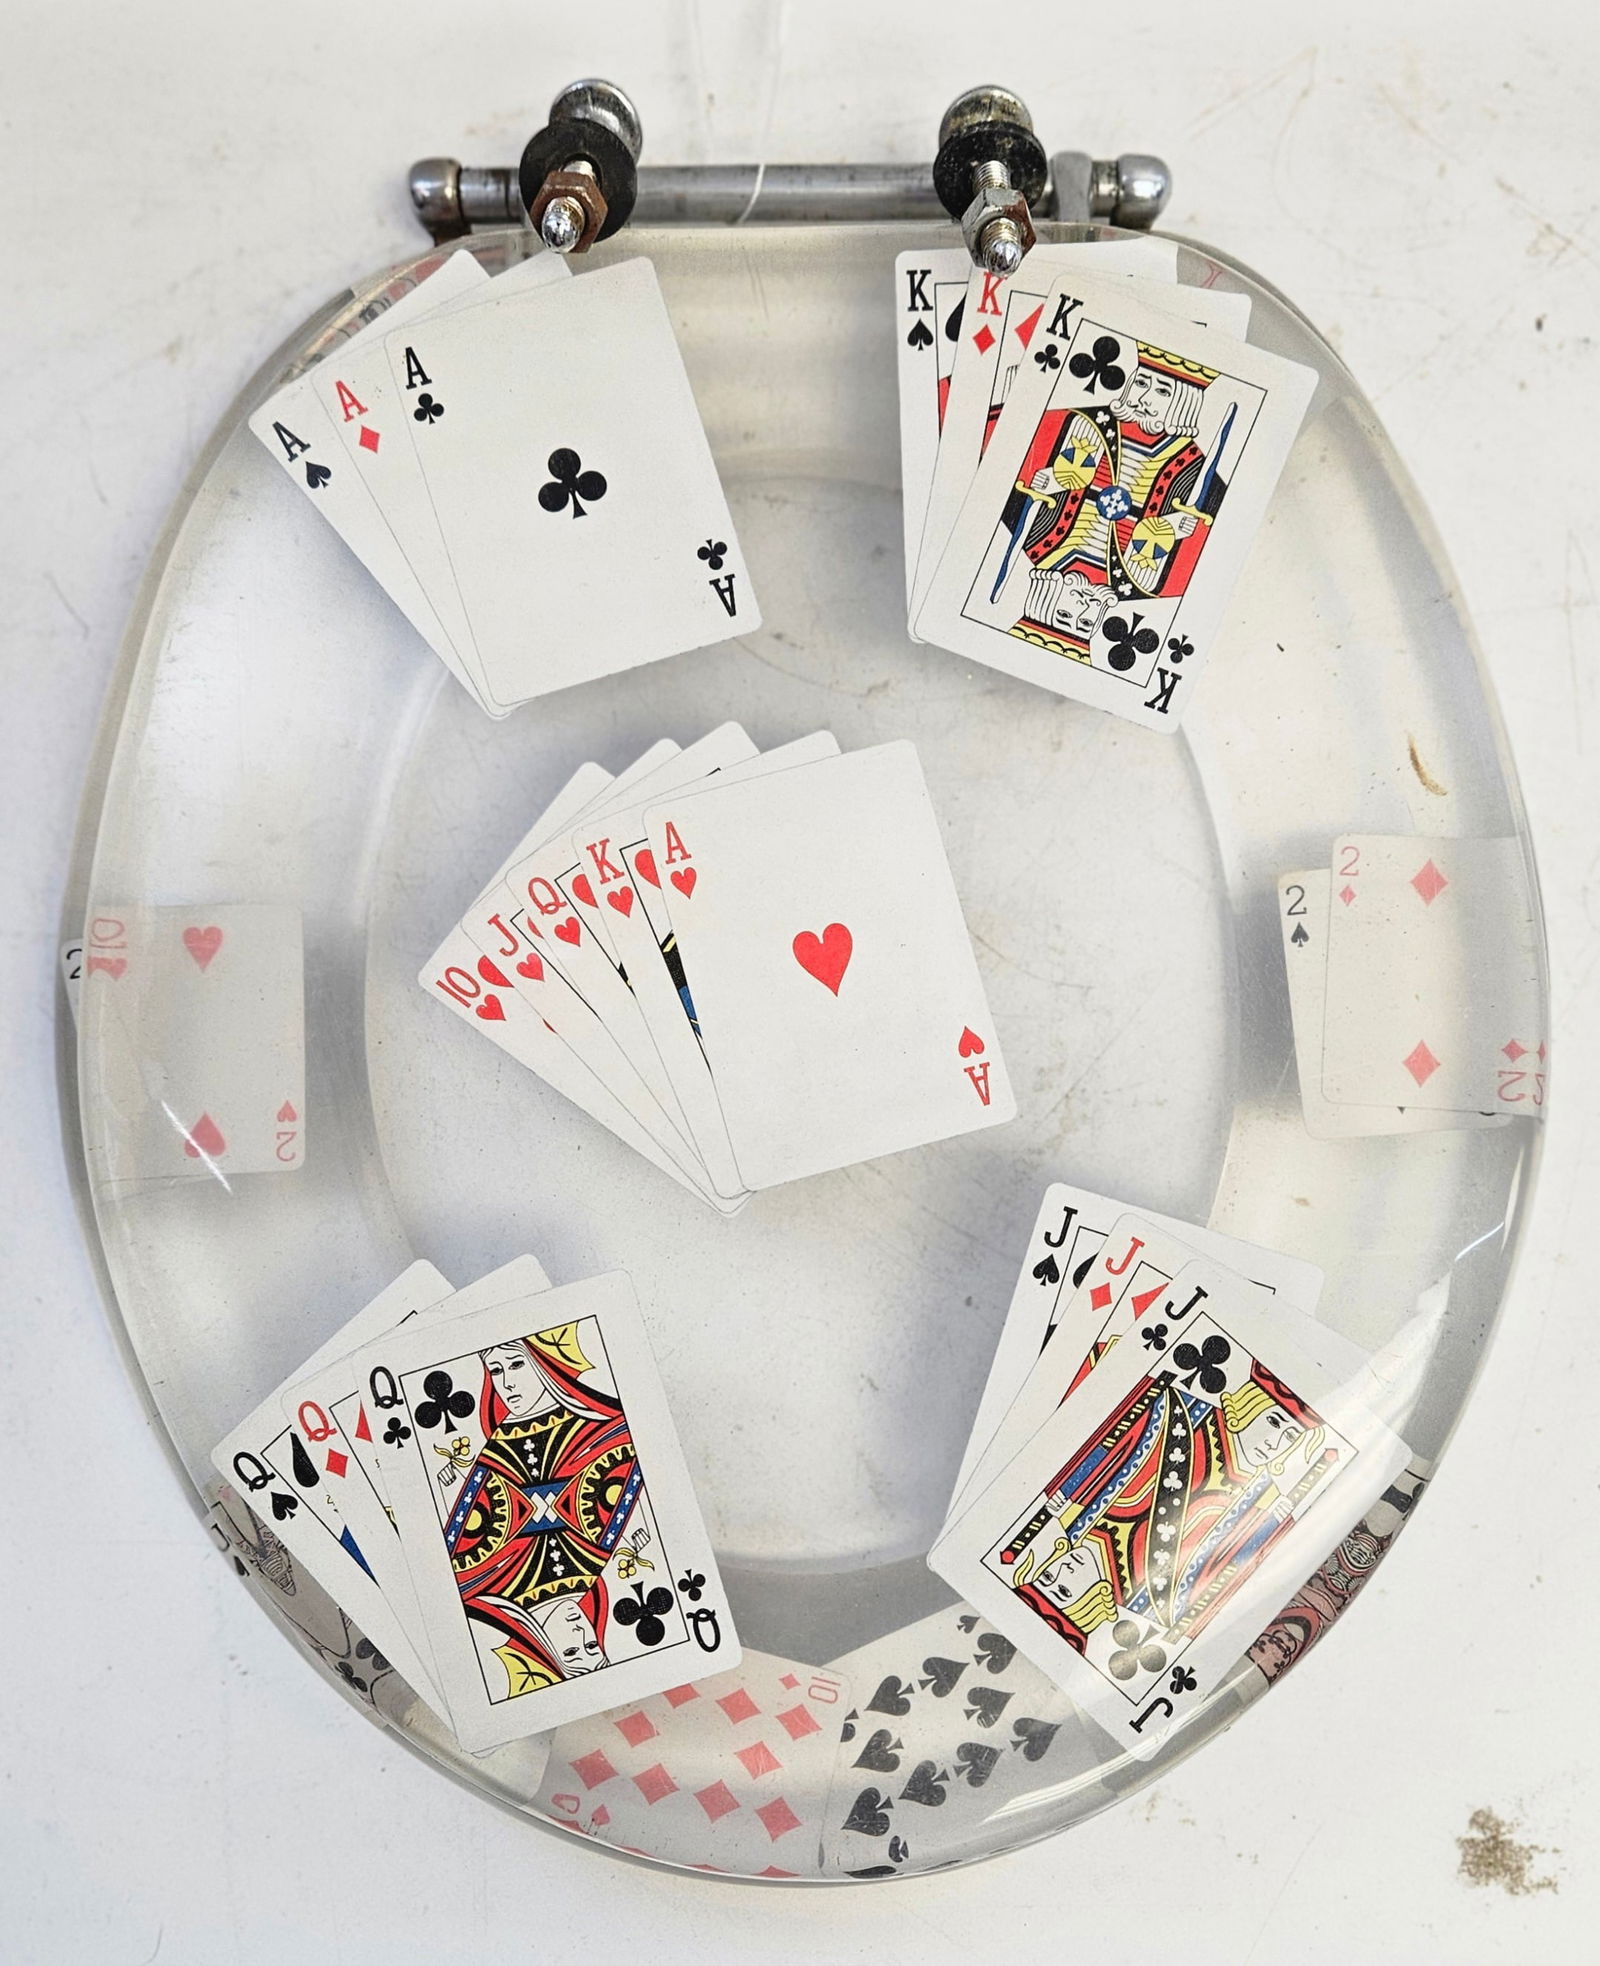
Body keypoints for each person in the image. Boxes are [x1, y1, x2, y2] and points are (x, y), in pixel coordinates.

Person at [443, 1324, 642, 1699]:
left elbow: (460, 1550)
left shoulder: (477, 1591)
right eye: (496, 1371)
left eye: (515, 1365)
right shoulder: (593, 1560)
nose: (507, 1383)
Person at [1001, 342, 1224, 663]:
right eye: (1142, 384)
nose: (1145, 399)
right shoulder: (1142, 584)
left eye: (1162, 391)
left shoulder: (1038, 546)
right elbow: (1009, 459)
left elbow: (1220, 532)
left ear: (1183, 404)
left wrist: (1049, 479)